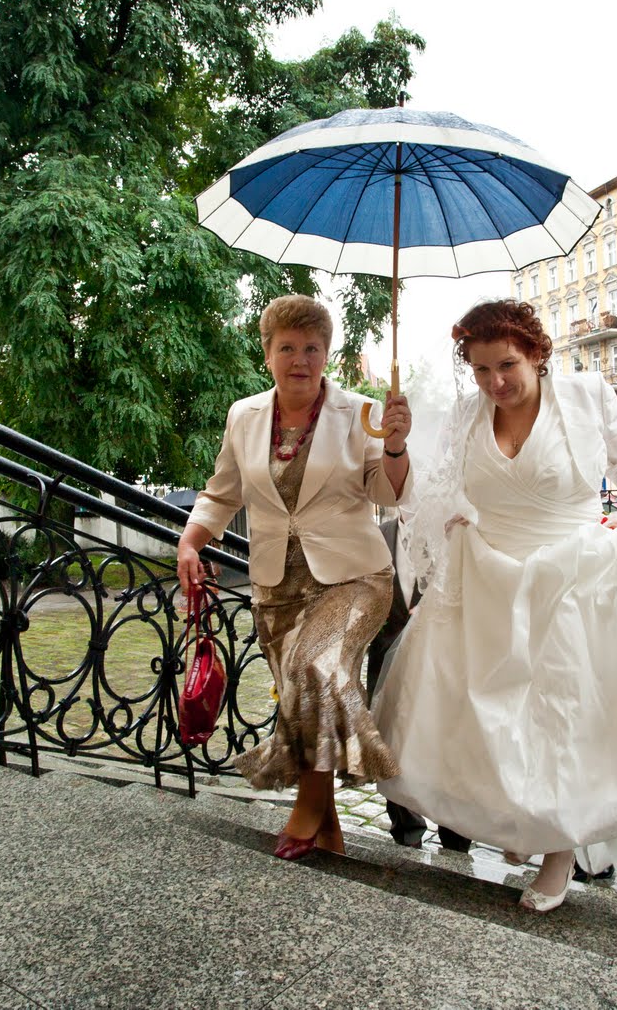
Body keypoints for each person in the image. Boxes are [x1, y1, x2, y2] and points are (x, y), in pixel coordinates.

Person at [373, 300, 617, 914]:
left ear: (536, 353)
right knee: (490, 718)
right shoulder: (466, 414)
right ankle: (519, 821)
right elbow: (428, 491)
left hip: (574, 575)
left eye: (506, 365)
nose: (494, 382)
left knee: (564, 715)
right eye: (480, 370)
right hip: (489, 578)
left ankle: (558, 851)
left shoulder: (586, 396)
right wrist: (400, 449)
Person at [177, 295, 412, 860]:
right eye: (287, 348)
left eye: (312, 348)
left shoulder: (361, 412)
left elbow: (389, 492)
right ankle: (329, 830)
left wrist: (395, 445)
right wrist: (190, 541)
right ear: (267, 353)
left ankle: (304, 815)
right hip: (276, 586)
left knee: (316, 669)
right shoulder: (244, 416)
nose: (300, 359)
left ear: (327, 354)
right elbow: (222, 492)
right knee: (309, 695)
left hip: (353, 578)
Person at [364, 517, 470, 853]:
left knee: (446, 747)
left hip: (441, 662)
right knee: (390, 743)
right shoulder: (378, 534)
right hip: (384, 658)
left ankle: (455, 838)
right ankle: (406, 831)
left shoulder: (454, 530)